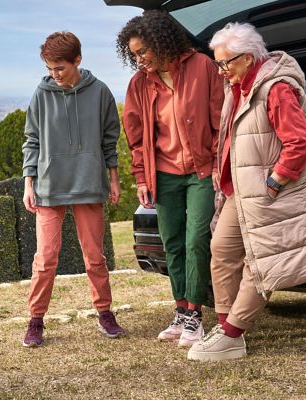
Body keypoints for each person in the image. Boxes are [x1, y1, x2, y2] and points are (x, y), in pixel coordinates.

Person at [187, 22, 306, 362]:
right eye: (218, 64)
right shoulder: (238, 86)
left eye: (227, 63)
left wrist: (275, 182)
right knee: (221, 250)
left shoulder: (276, 87)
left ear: (250, 56)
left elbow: (298, 143)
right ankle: (225, 330)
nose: (222, 71)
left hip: (269, 191)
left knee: (261, 260)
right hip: (239, 192)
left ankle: (233, 331)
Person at [117, 10, 224, 347]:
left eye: (143, 51)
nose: (139, 59)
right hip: (163, 175)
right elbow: (136, 138)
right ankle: (180, 312)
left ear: (162, 42)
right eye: (133, 54)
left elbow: (221, 118)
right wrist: (142, 178)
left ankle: (194, 315)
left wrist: (221, 163)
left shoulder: (202, 67)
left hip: (201, 171)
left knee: (196, 241)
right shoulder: (138, 84)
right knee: (172, 243)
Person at [21, 31, 126, 347]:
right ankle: (36, 320)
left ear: (77, 60)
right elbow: (32, 141)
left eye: (60, 68)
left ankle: (105, 313)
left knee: (94, 256)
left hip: (89, 183)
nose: (54, 75)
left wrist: (114, 178)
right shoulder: (41, 94)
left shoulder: (101, 92)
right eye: (50, 69)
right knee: (45, 258)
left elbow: (110, 140)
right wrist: (29, 183)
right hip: (49, 187)